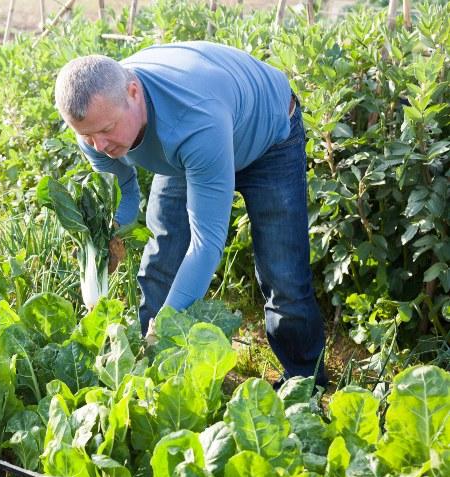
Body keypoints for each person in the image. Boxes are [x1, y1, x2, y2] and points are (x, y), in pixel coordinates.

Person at [54, 41, 327, 386]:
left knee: (283, 274)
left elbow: (206, 243)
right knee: (162, 261)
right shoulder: (96, 125)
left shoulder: (193, 120)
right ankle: (153, 373)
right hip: (186, 156)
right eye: (87, 136)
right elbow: (125, 195)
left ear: (134, 92)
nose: (100, 146)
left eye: (107, 130)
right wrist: (107, 242)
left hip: (266, 139)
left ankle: (305, 386)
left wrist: (165, 325)